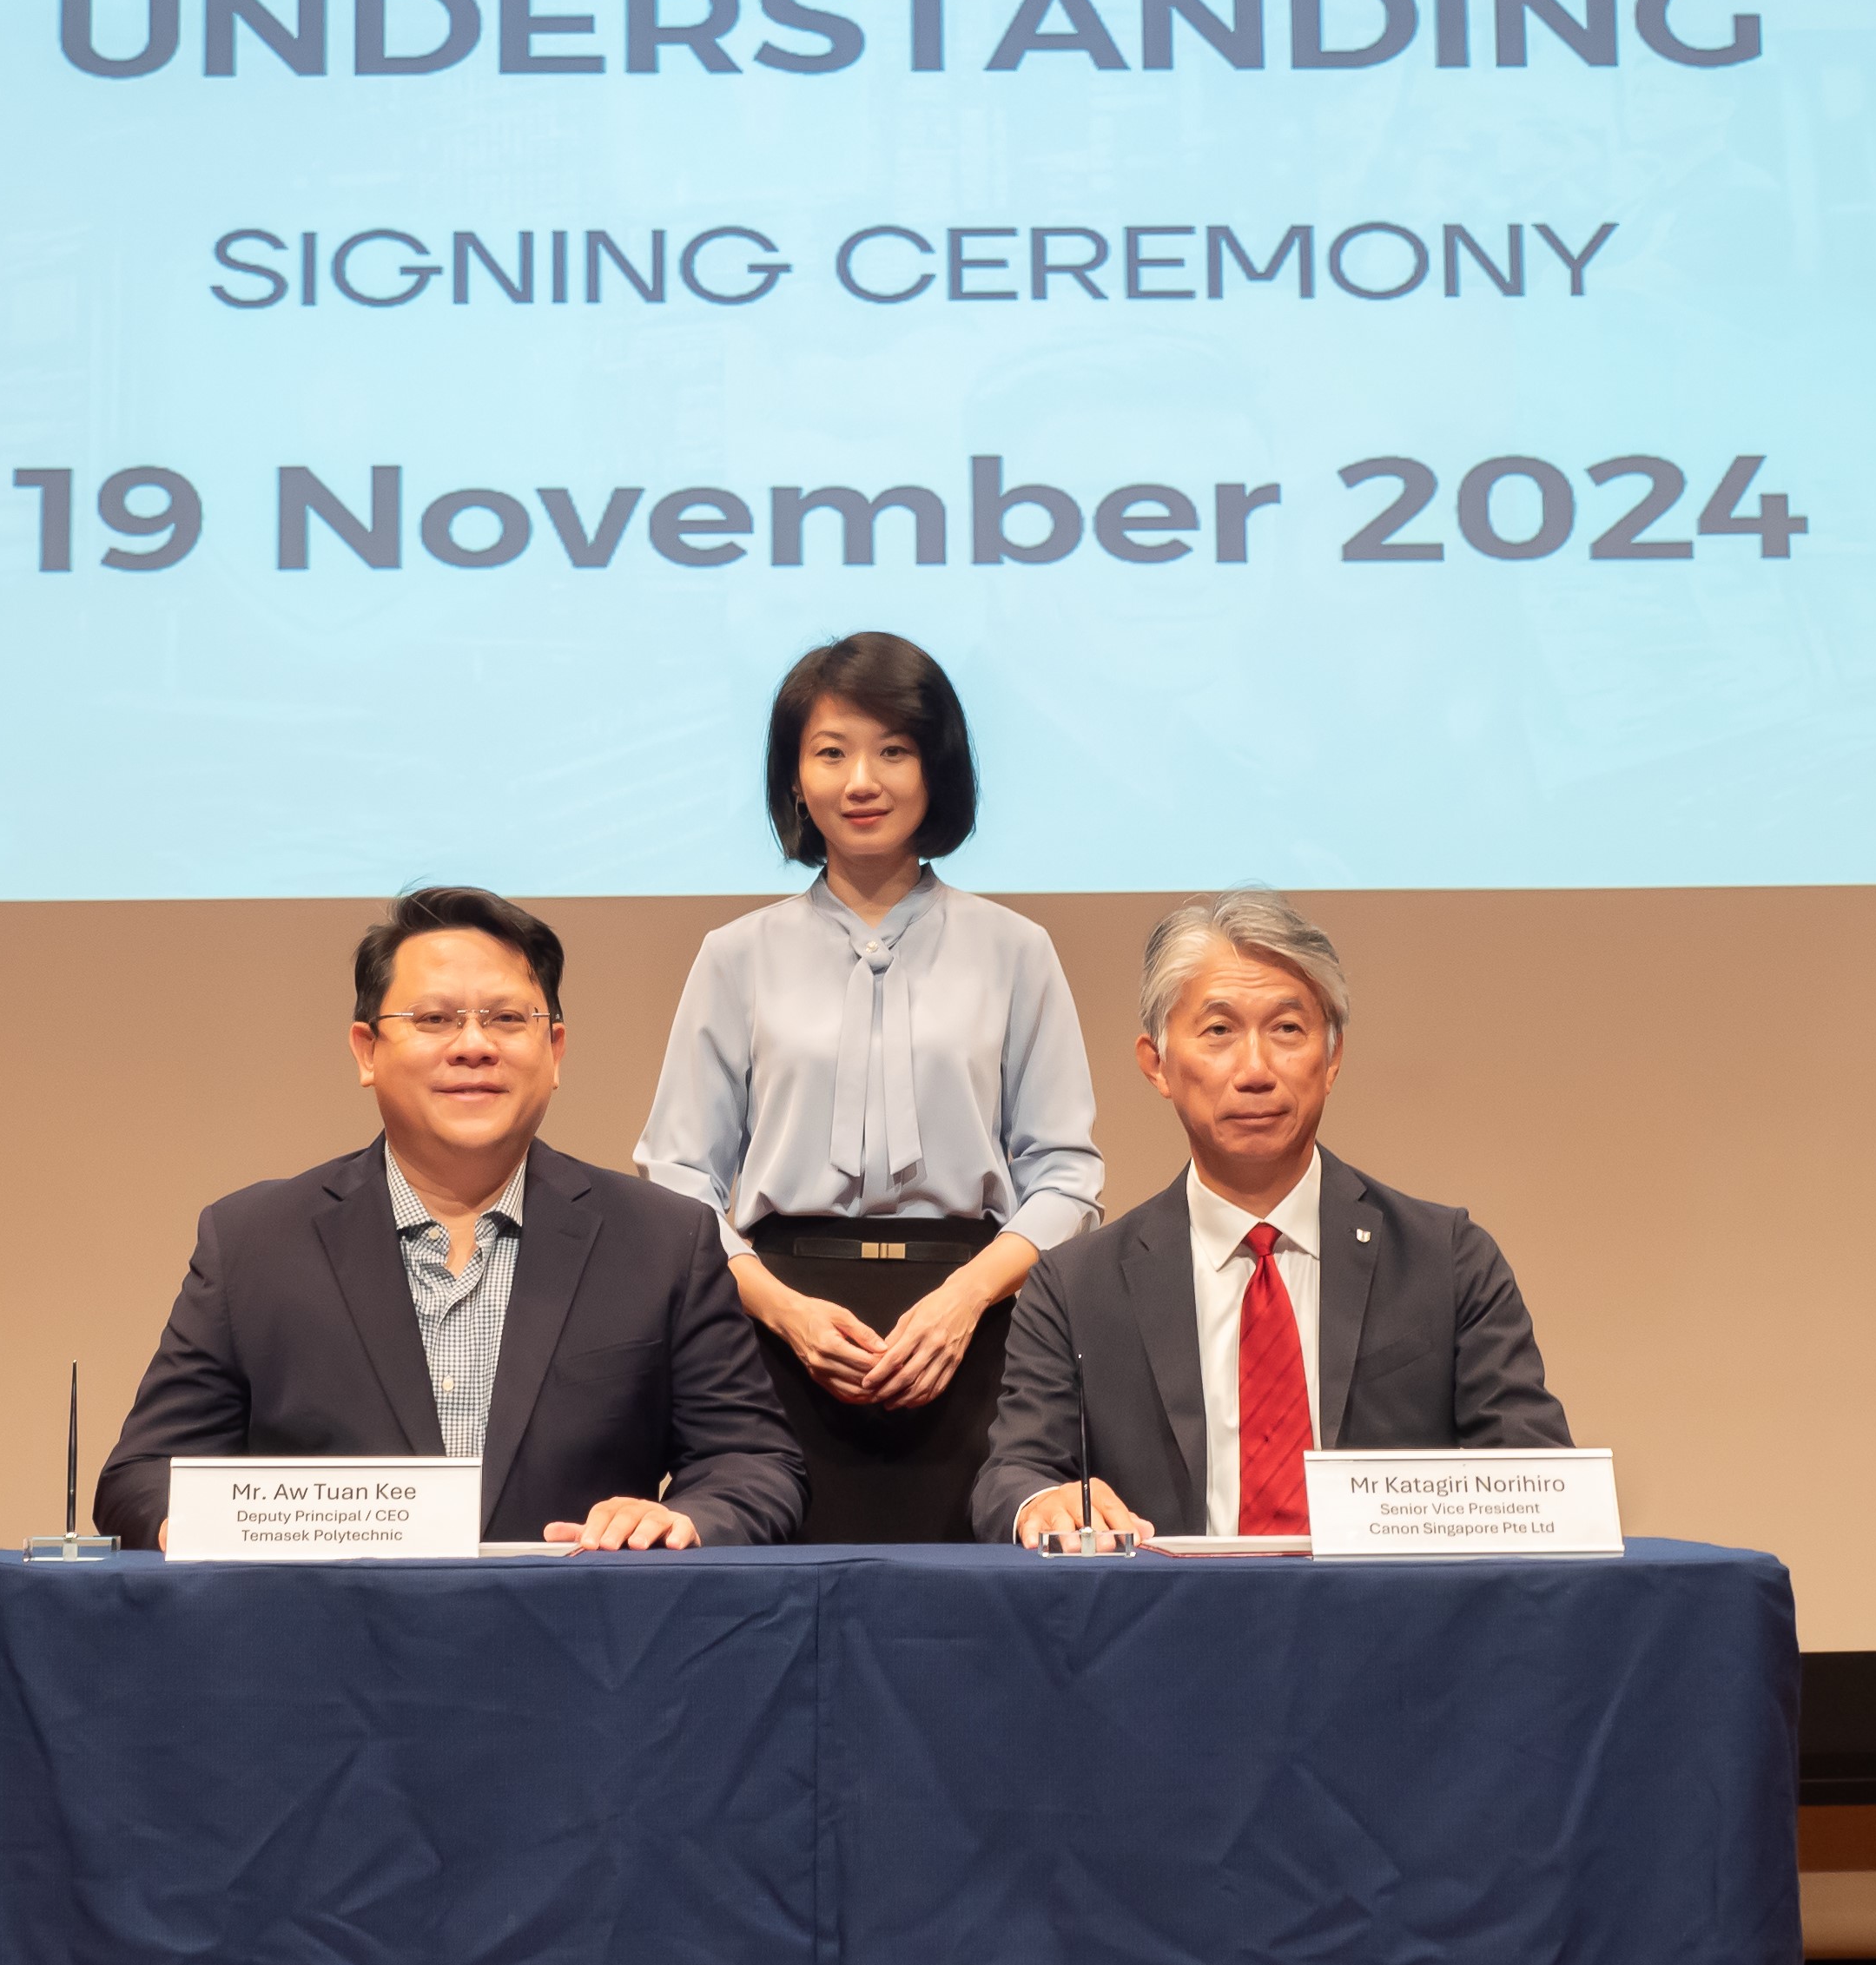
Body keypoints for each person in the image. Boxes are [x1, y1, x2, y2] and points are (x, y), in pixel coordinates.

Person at [98, 886, 805, 1552]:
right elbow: (144, 1474)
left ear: (555, 1051)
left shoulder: (663, 1240)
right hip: (329, 1631)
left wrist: (683, 1519)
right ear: (367, 1051)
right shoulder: (255, 1242)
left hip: (579, 1629)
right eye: (434, 1019)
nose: (473, 1045)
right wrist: (215, 1530)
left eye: (507, 1019)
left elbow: (752, 1463)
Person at [637, 636, 1106, 1541]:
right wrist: (783, 1309)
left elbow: (1066, 1172)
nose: (862, 781)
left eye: (894, 750)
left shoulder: (1016, 948)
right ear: (794, 778)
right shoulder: (736, 955)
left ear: (938, 769)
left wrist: (963, 1301)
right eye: (831, 752)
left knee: (972, 1599)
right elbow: (678, 1174)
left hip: (974, 1322)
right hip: (777, 1326)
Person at [973, 889, 1570, 1542]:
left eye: (1287, 1029)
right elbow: (1015, 1473)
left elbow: (1535, 1475)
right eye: (1219, 1031)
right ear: (1157, 1065)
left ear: (1332, 1057)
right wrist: (1043, 1501)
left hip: (1386, 1606)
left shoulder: (1445, 1259)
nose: (1255, 1070)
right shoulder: (1076, 1286)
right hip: (1167, 1606)